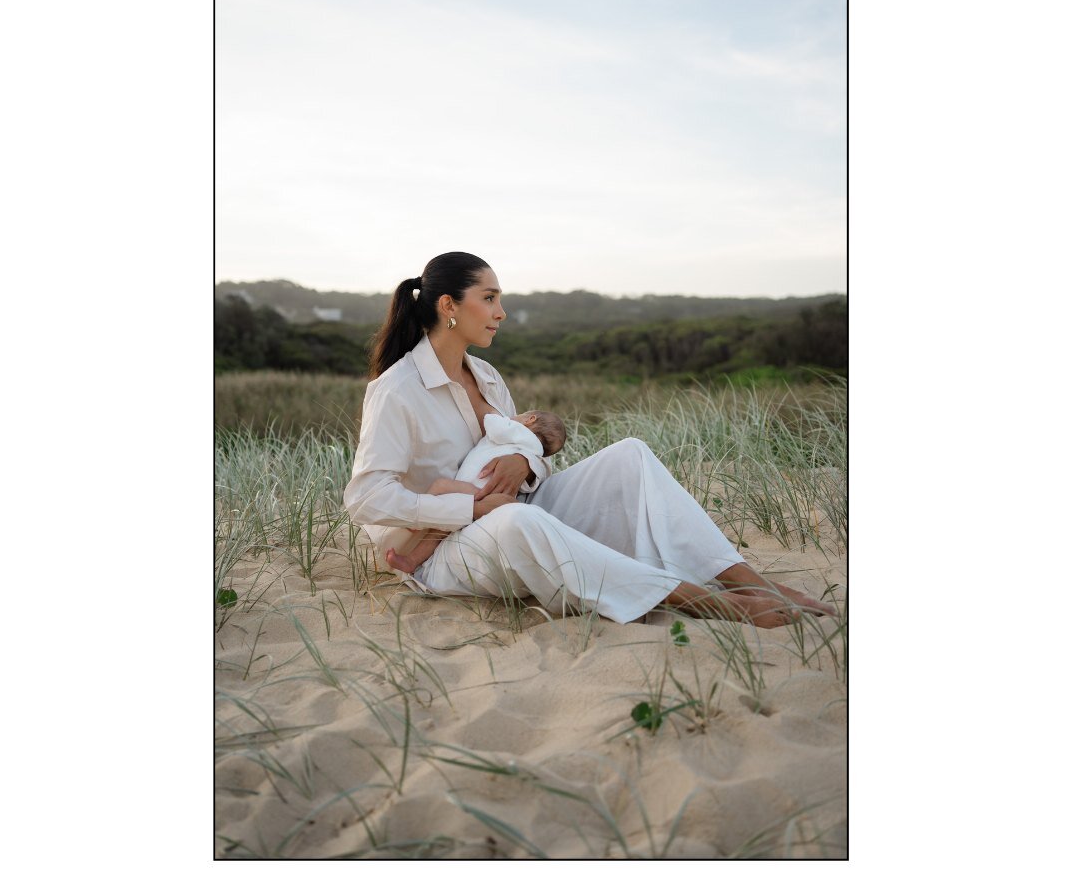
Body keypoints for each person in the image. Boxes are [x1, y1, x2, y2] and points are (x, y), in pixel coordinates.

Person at [344, 252, 836, 628]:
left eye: (499, 299)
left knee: (631, 456)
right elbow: (366, 497)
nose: (502, 311)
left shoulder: (487, 376)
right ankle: (712, 602)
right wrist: (470, 511)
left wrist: (525, 461)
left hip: (507, 512)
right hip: (440, 554)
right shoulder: (396, 389)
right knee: (518, 521)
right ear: (449, 306)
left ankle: (748, 580)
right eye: (489, 298)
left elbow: (516, 449)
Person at [385, 408, 567, 575]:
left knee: (440, 487)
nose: (513, 417)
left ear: (530, 419)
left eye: (521, 415)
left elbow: (491, 423)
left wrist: (500, 417)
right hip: (488, 495)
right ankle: (412, 561)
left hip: (475, 489)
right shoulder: (531, 452)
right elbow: (529, 483)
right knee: (442, 529)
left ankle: (418, 519)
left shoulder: (517, 432)